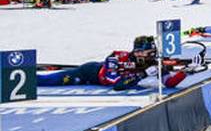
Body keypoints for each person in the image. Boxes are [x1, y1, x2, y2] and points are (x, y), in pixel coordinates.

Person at [37, 36, 188, 91]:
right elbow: (117, 85)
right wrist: (143, 74)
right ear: (138, 52)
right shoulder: (117, 57)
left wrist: (186, 71)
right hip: (88, 73)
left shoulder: (152, 62)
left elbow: (169, 83)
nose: (152, 56)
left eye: (152, 52)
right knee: (48, 80)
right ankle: (28, 76)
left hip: (101, 78)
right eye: (148, 53)